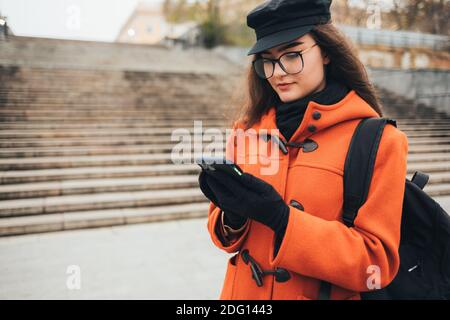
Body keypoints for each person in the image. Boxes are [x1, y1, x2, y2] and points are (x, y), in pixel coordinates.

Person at [198, 0, 408, 300]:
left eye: (292, 55)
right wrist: (233, 214)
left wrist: (282, 220)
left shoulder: (380, 141)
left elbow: (375, 264)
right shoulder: (245, 131)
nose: (277, 73)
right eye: (266, 61)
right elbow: (224, 240)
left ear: (325, 52)